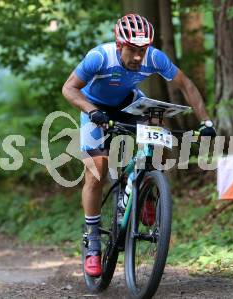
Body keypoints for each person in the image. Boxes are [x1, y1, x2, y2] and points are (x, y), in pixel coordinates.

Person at [62, 13, 216, 277]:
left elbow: (186, 85)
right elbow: (69, 89)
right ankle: (93, 242)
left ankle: (143, 186)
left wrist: (206, 122)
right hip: (95, 108)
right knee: (96, 171)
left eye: (142, 51)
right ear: (120, 45)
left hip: (128, 102)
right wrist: (92, 112)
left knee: (157, 127)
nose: (137, 57)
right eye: (132, 50)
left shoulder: (154, 57)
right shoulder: (99, 57)